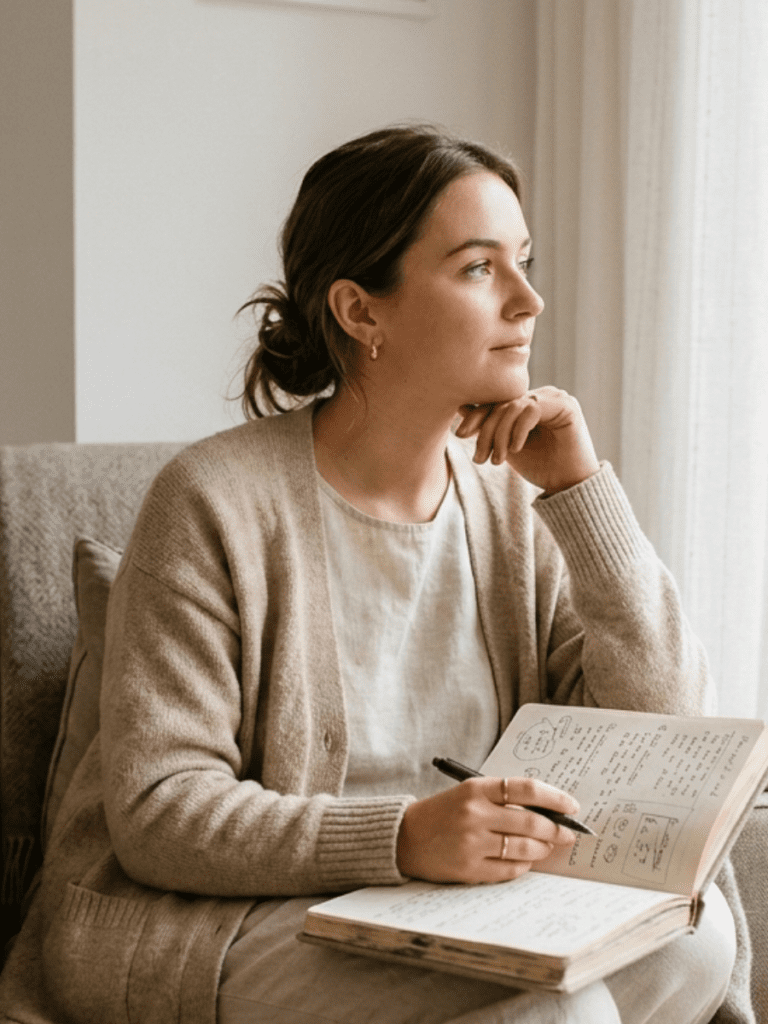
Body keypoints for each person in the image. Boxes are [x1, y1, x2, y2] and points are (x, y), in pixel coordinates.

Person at [0, 125, 738, 1024]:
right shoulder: (211, 500)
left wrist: (581, 494)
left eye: (525, 262)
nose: (530, 300)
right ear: (360, 312)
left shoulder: (512, 505)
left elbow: (668, 740)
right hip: (228, 919)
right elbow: (161, 813)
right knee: (562, 1013)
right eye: (480, 268)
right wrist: (404, 836)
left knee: (699, 945)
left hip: (456, 907)